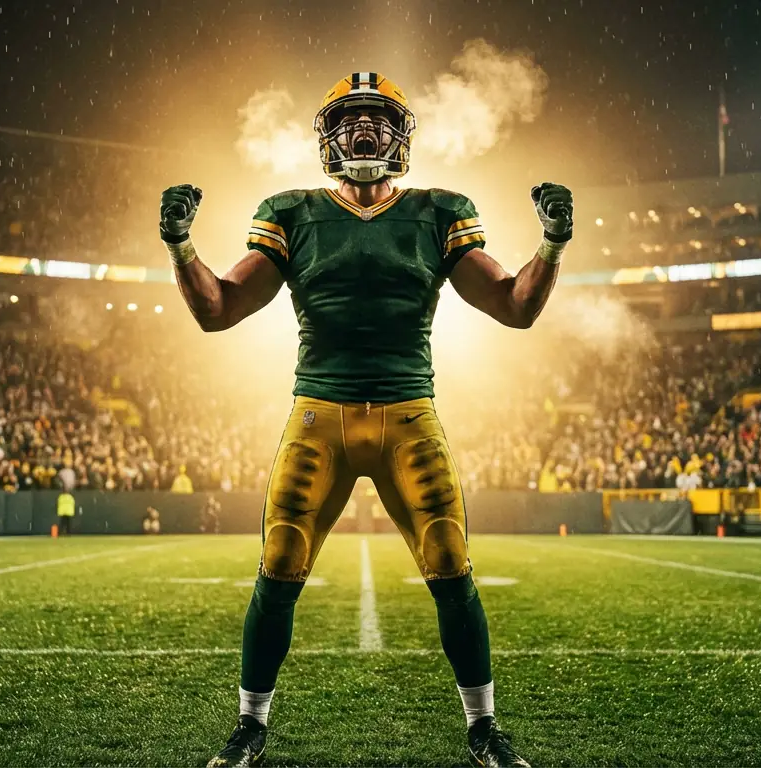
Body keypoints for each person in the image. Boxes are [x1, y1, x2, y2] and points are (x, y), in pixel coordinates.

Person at [164, 71, 569, 768]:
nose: (365, 129)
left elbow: (514, 306)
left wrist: (554, 243)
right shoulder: (292, 212)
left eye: (380, 119)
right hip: (318, 413)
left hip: (411, 412)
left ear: (403, 136)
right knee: (280, 564)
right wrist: (179, 246)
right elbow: (218, 310)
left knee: (450, 562)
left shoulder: (438, 211)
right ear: (326, 136)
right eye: (350, 117)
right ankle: (249, 723)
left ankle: (483, 726)